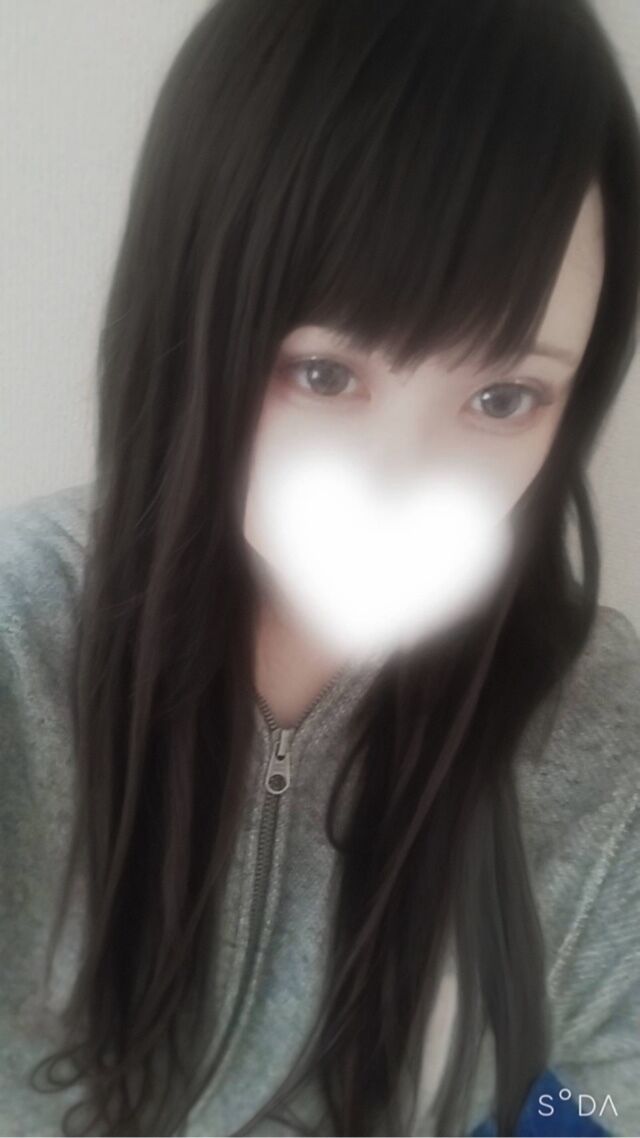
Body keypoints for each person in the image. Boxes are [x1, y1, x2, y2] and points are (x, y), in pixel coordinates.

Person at [1, 0, 640, 1135]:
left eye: (503, 397)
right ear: (188, 325)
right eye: (324, 373)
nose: (405, 483)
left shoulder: (601, 738)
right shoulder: (20, 644)